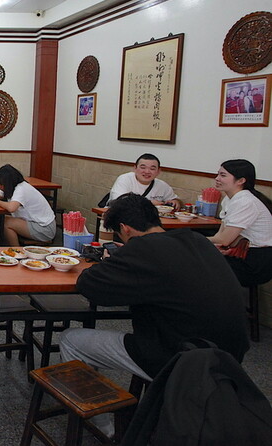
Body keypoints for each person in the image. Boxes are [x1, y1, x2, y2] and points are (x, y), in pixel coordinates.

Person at [60, 193, 249, 437]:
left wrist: (113, 261)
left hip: (182, 360)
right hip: (231, 356)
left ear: (124, 229)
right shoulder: (197, 240)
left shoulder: (141, 250)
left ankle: (106, 429)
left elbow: (90, 286)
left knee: (70, 340)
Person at [208, 159, 272, 286]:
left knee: (196, 264)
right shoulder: (229, 199)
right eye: (218, 174)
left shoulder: (245, 202)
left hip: (256, 263)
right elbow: (223, 236)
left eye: (223, 175)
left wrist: (194, 239)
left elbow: (223, 239)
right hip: (242, 252)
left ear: (241, 180)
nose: (217, 178)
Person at [0, 164, 56, 246]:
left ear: (7, 183)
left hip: (44, 228)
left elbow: (11, 208)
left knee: (6, 223)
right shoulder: (12, 187)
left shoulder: (21, 189)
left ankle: (17, 252)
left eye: (1, 184)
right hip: (32, 222)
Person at [108, 153, 181, 207]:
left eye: (152, 169)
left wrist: (175, 202)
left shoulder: (162, 185)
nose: (147, 172)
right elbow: (120, 202)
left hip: (148, 222)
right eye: (143, 167)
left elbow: (175, 199)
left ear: (158, 171)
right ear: (135, 168)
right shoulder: (125, 179)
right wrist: (149, 203)